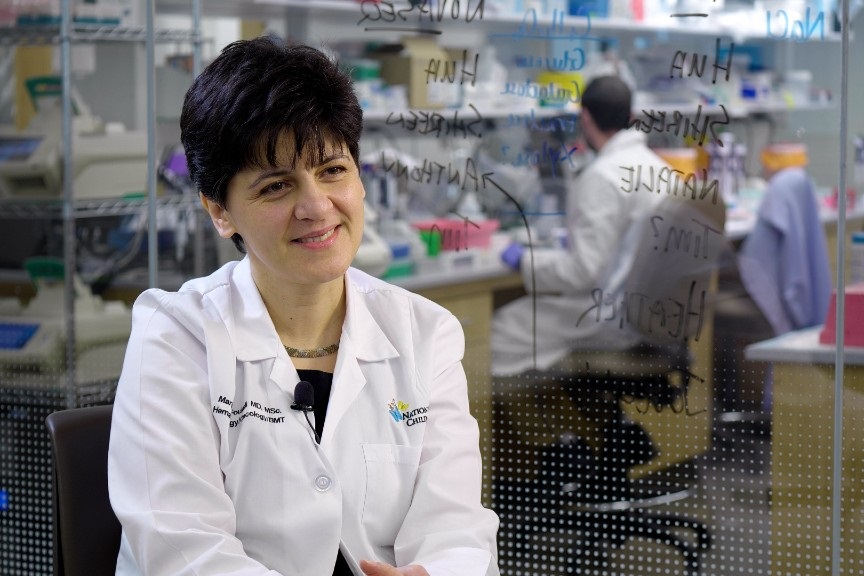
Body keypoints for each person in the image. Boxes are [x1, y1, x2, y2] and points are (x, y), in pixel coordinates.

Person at [107, 36, 499, 576]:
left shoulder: (424, 333)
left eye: (333, 170)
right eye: (276, 186)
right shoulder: (175, 337)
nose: (316, 207)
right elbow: (182, 548)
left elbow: (456, 527)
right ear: (220, 212)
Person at [490, 75, 673, 377]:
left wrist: (524, 261)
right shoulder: (660, 168)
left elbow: (582, 272)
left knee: (494, 334)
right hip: (652, 315)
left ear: (585, 117)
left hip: (608, 316)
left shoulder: (602, 175)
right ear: (631, 117)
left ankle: (520, 423)